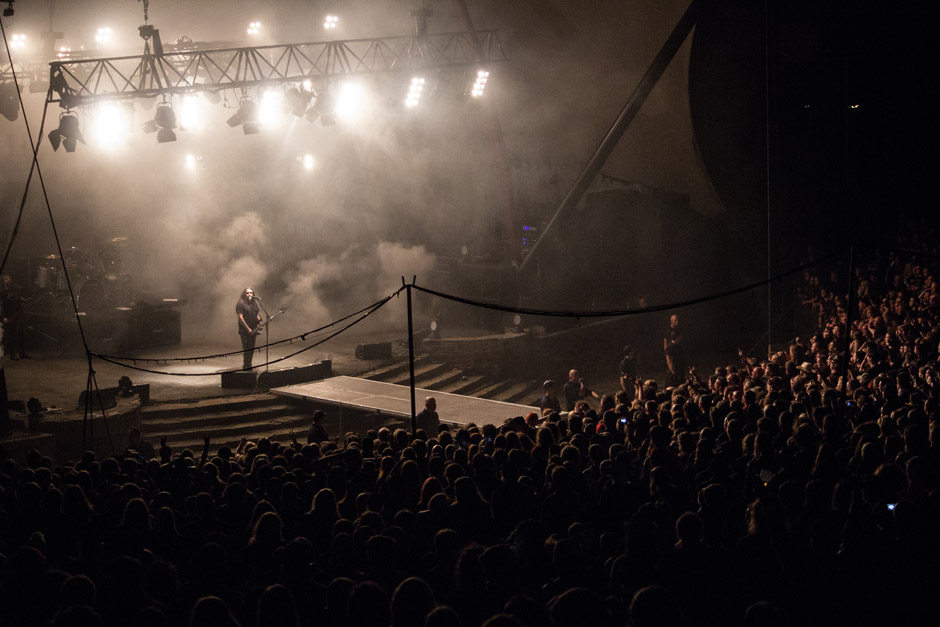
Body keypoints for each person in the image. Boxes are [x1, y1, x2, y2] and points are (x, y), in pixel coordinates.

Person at [1, 275, 28, 360]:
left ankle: (22, 353)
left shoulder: (15, 290)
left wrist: (24, 300)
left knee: (22, 335)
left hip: (18, 315)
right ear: (3, 282)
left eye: (9, 278)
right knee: (11, 336)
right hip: (9, 316)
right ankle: (12, 354)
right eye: (6, 279)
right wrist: (4, 317)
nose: (9, 280)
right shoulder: (2, 293)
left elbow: (19, 300)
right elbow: (1, 305)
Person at [236, 287, 262, 370]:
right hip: (245, 331)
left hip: (254, 330)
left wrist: (259, 323)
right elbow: (240, 317)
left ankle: (249, 366)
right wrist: (247, 328)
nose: (249, 294)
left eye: (251, 293)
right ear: (244, 294)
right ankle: (246, 367)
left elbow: (257, 314)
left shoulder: (254, 303)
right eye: (247, 293)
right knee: (247, 349)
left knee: (252, 348)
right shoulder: (241, 303)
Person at [663, 314, 685, 387]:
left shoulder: (678, 330)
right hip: (671, 353)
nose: (677, 322)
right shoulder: (668, 331)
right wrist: (667, 353)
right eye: (676, 320)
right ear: (672, 321)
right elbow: (665, 344)